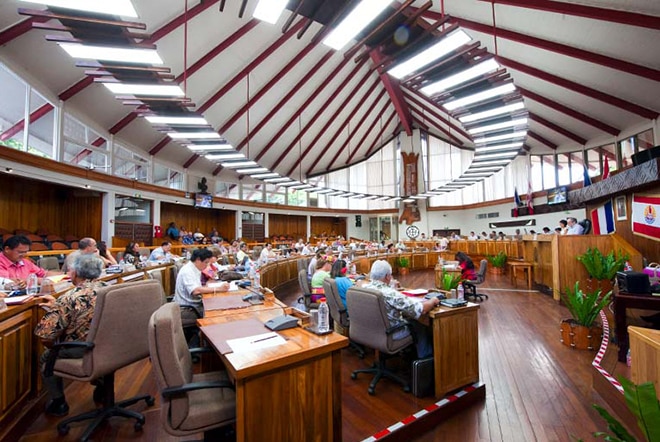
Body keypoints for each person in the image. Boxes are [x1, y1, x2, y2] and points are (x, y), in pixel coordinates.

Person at [34, 254, 106, 416]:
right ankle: (103, 388)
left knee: (46, 358)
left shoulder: (69, 298)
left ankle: (58, 403)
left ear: (74, 273)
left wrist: (57, 309)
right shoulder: (111, 289)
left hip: (82, 348)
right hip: (111, 345)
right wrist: (57, 306)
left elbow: (44, 336)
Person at [364, 260, 439, 358]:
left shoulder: (364, 288)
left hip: (371, 330)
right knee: (419, 324)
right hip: (391, 333)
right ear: (387, 276)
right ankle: (426, 359)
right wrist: (433, 300)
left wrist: (392, 289)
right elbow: (421, 309)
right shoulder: (391, 294)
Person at [173, 248, 229, 329]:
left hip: (195, 304)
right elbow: (195, 290)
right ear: (198, 260)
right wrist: (218, 288)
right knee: (217, 315)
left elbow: (199, 287)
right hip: (187, 308)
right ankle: (203, 339)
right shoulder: (187, 271)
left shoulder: (195, 268)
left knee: (219, 306)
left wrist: (208, 284)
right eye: (206, 262)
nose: (207, 265)